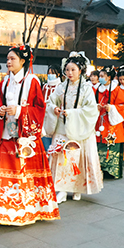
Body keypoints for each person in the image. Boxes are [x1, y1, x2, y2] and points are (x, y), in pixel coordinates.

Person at [0, 44, 59, 228]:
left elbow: (40, 109)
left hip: (25, 136)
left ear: (23, 61)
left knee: (25, 173)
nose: (8, 62)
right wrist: (1, 111)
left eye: (12, 59)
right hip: (7, 134)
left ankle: (28, 210)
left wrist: (19, 110)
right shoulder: (4, 82)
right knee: (4, 173)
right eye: (8, 59)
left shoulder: (32, 81)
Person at [44, 52, 102, 203]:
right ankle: (62, 190)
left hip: (80, 127)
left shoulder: (86, 88)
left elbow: (91, 110)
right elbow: (50, 102)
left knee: (78, 159)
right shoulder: (62, 87)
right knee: (62, 158)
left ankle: (78, 188)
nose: (69, 73)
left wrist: (71, 113)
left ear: (81, 71)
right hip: (63, 127)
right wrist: (54, 109)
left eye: (73, 70)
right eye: (67, 70)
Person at [94, 66, 124, 177]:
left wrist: (112, 108)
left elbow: (123, 106)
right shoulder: (98, 89)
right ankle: (100, 169)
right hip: (99, 120)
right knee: (99, 143)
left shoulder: (116, 89)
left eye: (103, 76)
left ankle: (111, 171)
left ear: (109, 77)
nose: (100, 78)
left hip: (111, 122)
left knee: (111, 143)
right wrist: (95, 106)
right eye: (100, 76)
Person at [42, 64, 62, 152]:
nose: (50, 75)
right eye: (49, 73)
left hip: (56, 115)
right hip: (44, 116)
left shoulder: (60, 87)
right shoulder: (45, 86)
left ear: (58, 74)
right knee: (44, 135)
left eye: (53, 73)